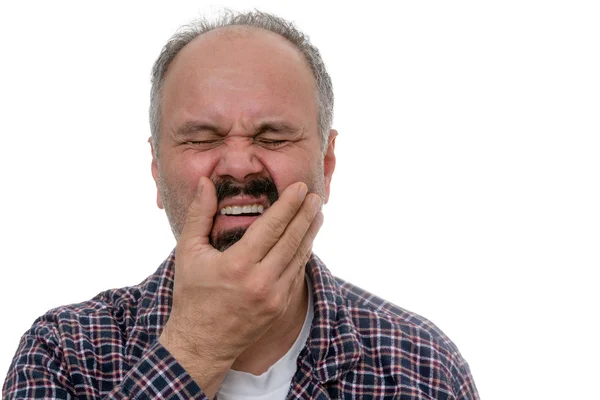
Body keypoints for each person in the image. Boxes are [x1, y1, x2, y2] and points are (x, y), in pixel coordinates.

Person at [2, 10, 479, 400]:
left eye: (272, 136)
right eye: (202, 139)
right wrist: (197, 347)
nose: (237, 165)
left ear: (327, 164)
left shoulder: (422, 367)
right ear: (156, 169)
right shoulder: (62, 353)